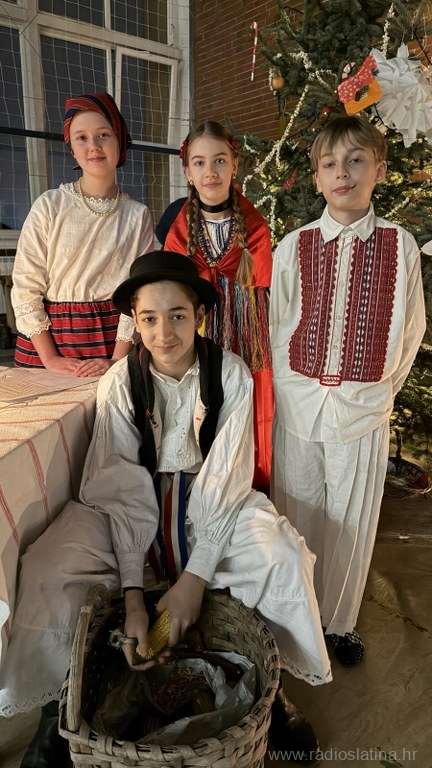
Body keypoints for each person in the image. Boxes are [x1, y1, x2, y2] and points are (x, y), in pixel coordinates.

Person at [0, 252, 332, 767]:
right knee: (48, 567)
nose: (164, 333)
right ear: (134, 320)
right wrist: (134, 593)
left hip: (210, 501)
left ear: (199, 313)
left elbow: (226, 476)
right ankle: (57, 702)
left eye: (177, 315)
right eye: (149, 318)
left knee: (281, 554)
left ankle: (274, 689)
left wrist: (194, 579)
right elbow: (118, 484)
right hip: (126, 507)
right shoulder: (120, 381)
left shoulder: (231, 374)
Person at [270, 115, 426, 666]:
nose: (343, 173)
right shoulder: (294, 246)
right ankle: (293, 615)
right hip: (298, 406)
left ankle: (339, 622)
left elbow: (410, 330)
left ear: (378, 169)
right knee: (297, 513)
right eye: (331, 164)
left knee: (352, 521)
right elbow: (278, 323)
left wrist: (376, 393)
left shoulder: (400, 245)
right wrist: (292, 386)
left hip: (362, 411)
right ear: (316, 178)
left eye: (356, 160)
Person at [11, 92, 154, 377]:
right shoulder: (50, 205)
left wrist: (116, 360)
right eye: (82, 138)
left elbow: (140, 293)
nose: (94, 146)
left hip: (113, 344)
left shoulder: (137, 216)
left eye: (103, 135)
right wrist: (50, 359)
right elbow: (26, 285)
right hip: (47, 346)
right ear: (72, 150)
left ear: (120, 141)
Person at [164, 121, 273, 492]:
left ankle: (248, 492)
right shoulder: (179, 232)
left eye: (219, 160)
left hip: (247, 343)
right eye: (199, 162)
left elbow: (265, 296)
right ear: (187, 171)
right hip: (198, 345)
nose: (210, 171)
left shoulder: (255, 228)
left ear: (234, 165)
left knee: (246, 420)